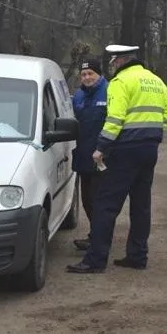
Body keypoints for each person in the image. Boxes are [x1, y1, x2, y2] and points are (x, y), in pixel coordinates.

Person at [66, 44, 167, 274]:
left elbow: (115, 119)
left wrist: (101, 147)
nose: (112, 66)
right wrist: (148, 136)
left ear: (120, 61)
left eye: (113, 62)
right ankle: (137, 256)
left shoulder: (120, 82)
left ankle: (95, 260)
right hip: (149, 149)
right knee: (141, 205)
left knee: (105, 205)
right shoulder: (156, 81)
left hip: (125, 150)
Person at [71, 58, 109, 251]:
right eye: (83, 74)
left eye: (90, 74)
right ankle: (97, 236)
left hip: (103, 157)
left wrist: (105, 149)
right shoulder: (78, 95)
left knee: (98, 200)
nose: (86, 77)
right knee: (87, 199)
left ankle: (99, 240)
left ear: (99, 74)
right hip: (84, 156)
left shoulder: (109, 91)